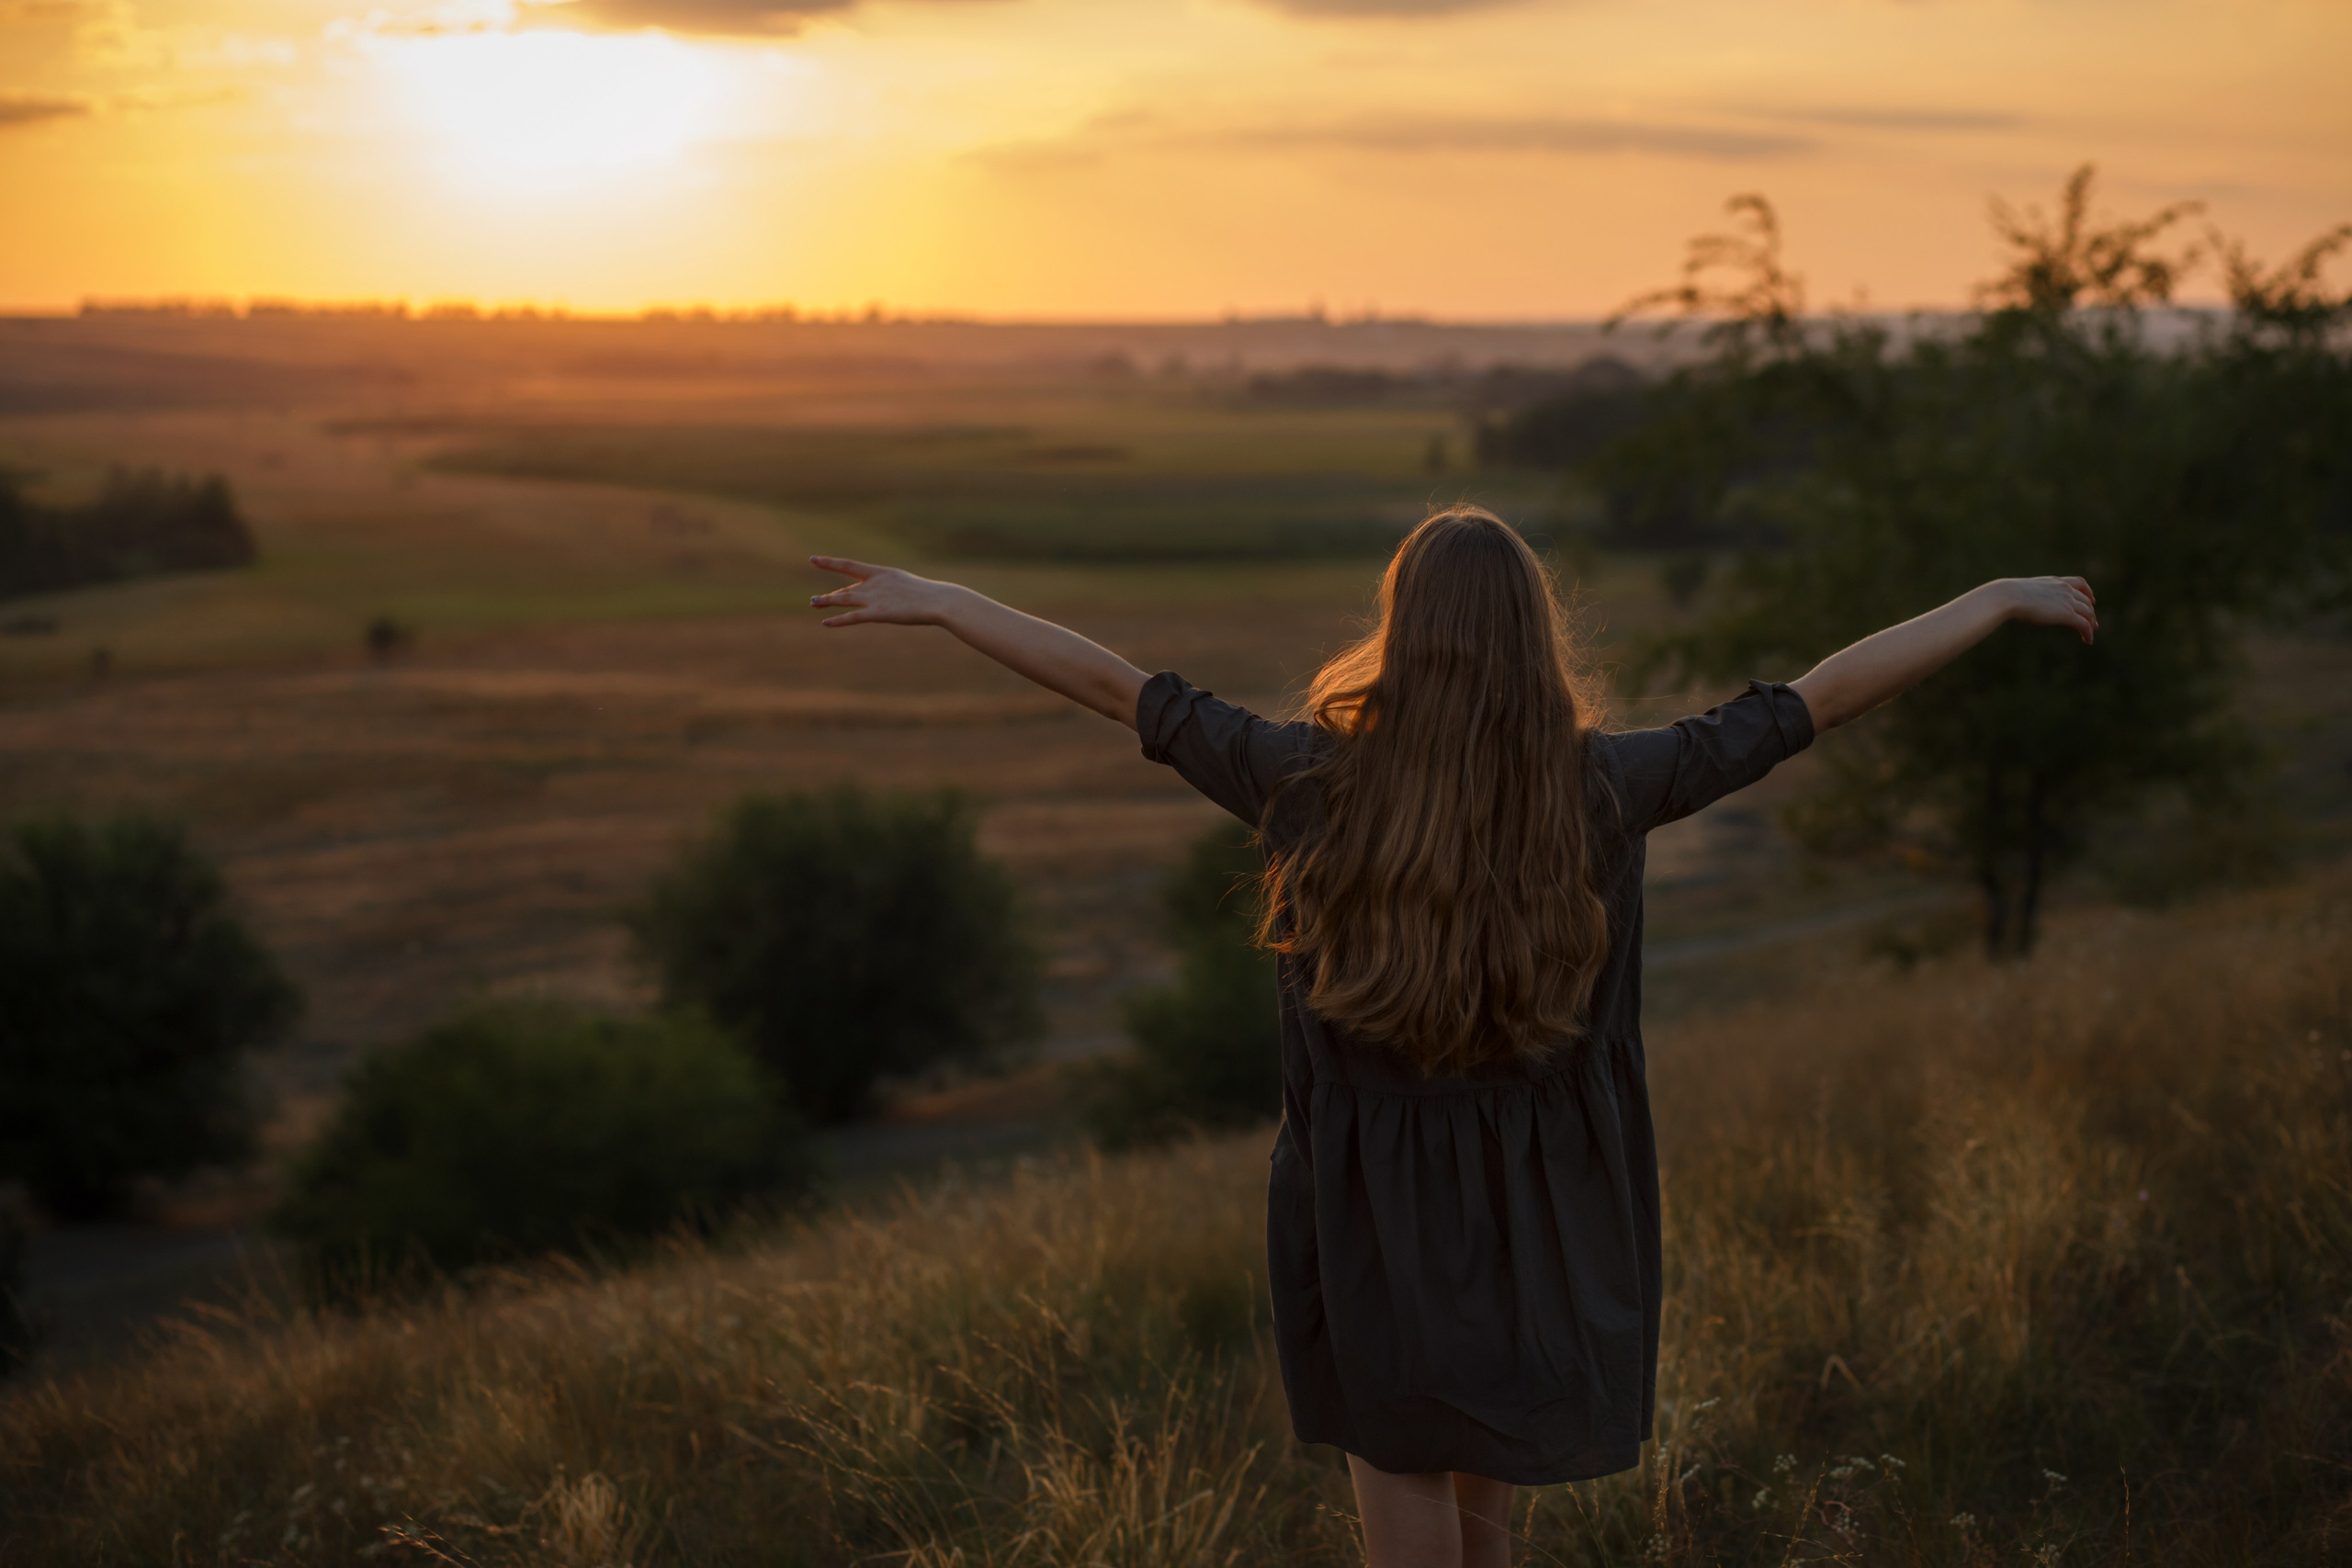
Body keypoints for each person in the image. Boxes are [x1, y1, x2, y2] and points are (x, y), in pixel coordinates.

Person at [807, 505, 2097, 1568]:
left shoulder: (1306, 780)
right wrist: (1992, 599)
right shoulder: (1608, 785)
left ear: (1402, 630)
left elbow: (1119, 688)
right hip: (1545, 1203)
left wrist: (949, 601)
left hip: (1373, 1208)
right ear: (1533, 638)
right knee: (1484, 1525)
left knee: (1411, 1495)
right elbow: (1812, 703)